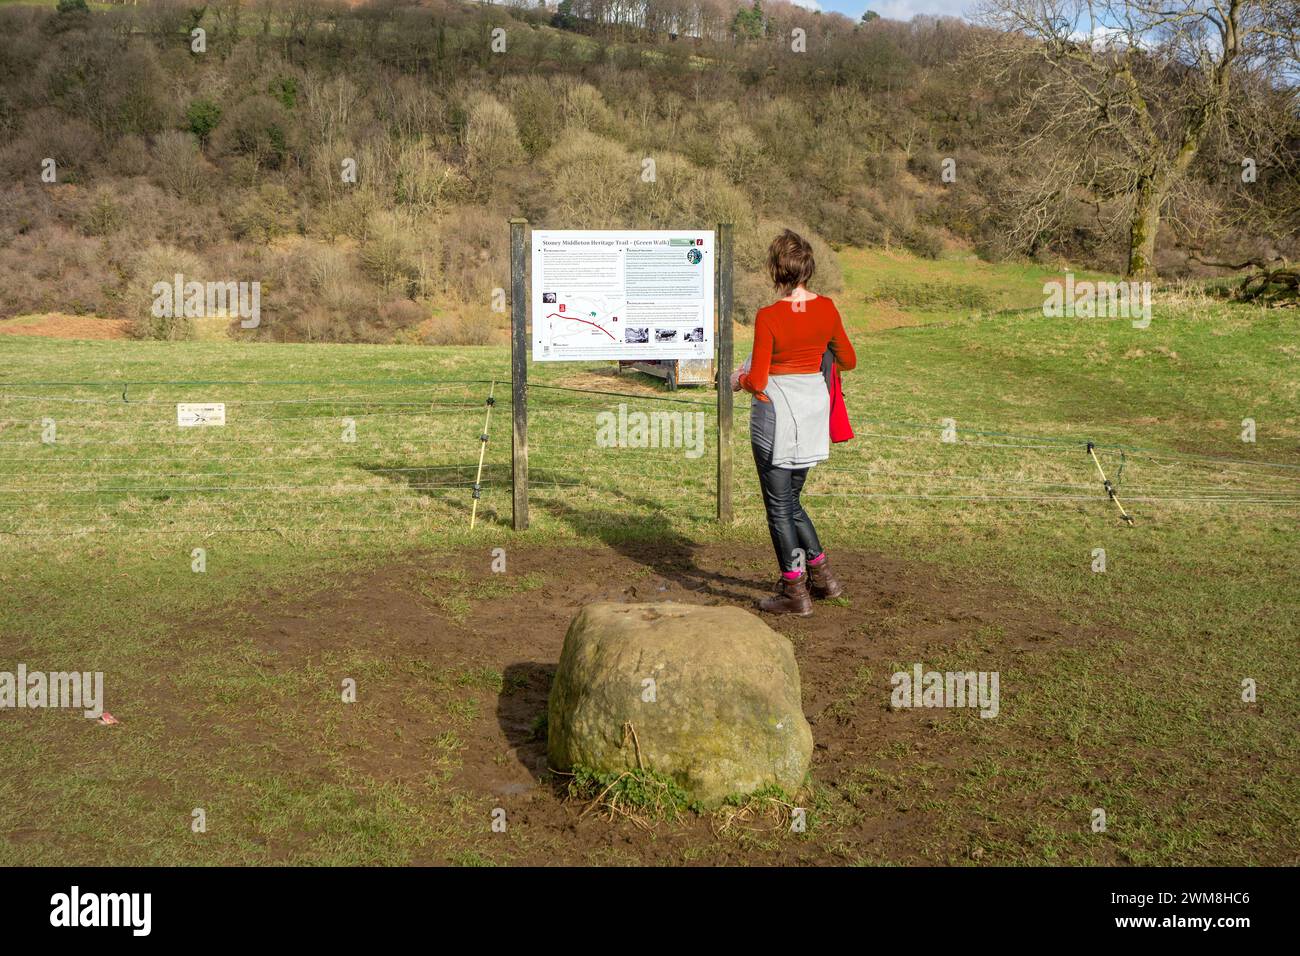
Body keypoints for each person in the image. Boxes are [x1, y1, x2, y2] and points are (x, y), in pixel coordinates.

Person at [733, 229, 856, 616]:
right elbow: (848, 360)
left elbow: (759, 380)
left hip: (778, 417)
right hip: (813, 412)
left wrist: (740, 378)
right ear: (808, 268)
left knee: (778, 507)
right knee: (792, 500)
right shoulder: (828, 309)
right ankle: (823, 576)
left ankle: (794, 590)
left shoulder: (769, 316)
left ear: (775, 270)